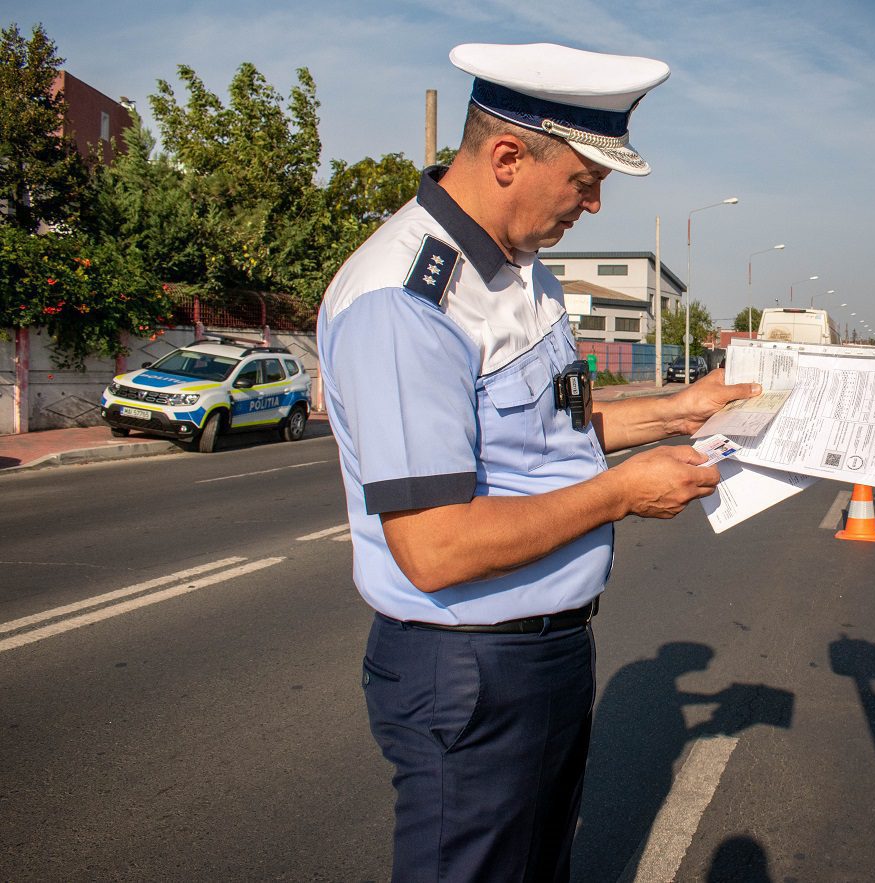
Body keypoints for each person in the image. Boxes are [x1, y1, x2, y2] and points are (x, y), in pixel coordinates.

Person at [316, 42, 760, 882]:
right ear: (509, 157)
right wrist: (621, 494)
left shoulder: (522, 274)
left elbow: (550, 433)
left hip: (544, 652)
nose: (591, 207)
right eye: (584, 184)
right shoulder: (407, 302)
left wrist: (677, 410)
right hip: (469, 667)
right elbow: (437, 545)